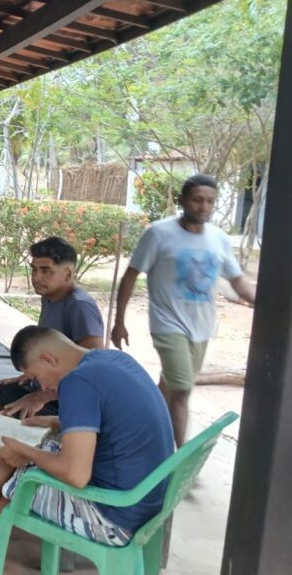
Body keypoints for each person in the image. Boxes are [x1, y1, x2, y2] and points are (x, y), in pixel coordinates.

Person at [0, 326, 174, 573]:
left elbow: (75, 475)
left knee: (13, 479)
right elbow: (113, 420)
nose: (43, 386)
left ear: (48, 358)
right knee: (12, 467)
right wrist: (59, 421)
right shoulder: (111, 360)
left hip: (114, 517)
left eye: (37, 376)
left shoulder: (78, 382)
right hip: (146, 498)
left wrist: (27, 452)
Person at [112, 174, 255, 447]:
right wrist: (119, 321)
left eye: (210, 201)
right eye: (198, 200)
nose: (204, 207)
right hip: (167, 325)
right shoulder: (159, 233)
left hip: (202, 328)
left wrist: (270, 302)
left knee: (168, 386)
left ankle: (139, 429)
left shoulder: (219, 239)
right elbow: (130, 276)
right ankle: (177, 459)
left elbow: (239, 283)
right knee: (181, 390)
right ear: (183, 200)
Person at [0, 237, 104, 439]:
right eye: (34, 269)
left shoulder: (79, 306)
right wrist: (32, 372)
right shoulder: (50, 297)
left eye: (46, 270)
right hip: (42, 382)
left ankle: (3, 467)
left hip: (64, 396)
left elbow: (94, 367)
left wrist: (43, 396)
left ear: (68, 274)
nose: (36, 277)